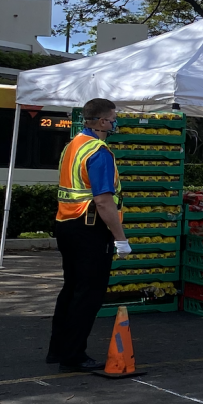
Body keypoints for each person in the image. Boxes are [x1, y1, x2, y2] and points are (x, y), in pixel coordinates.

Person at [46, 98, 131, 372]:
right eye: (113, 118)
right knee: (88, 294)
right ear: (104, 121)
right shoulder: (99, 151)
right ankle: (74, 355)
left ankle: (59, 350)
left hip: (66, 224)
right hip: (90, 228)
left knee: (71, 289)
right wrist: (120, 239)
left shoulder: (73, 146)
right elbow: (104, 201)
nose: (115, 122)